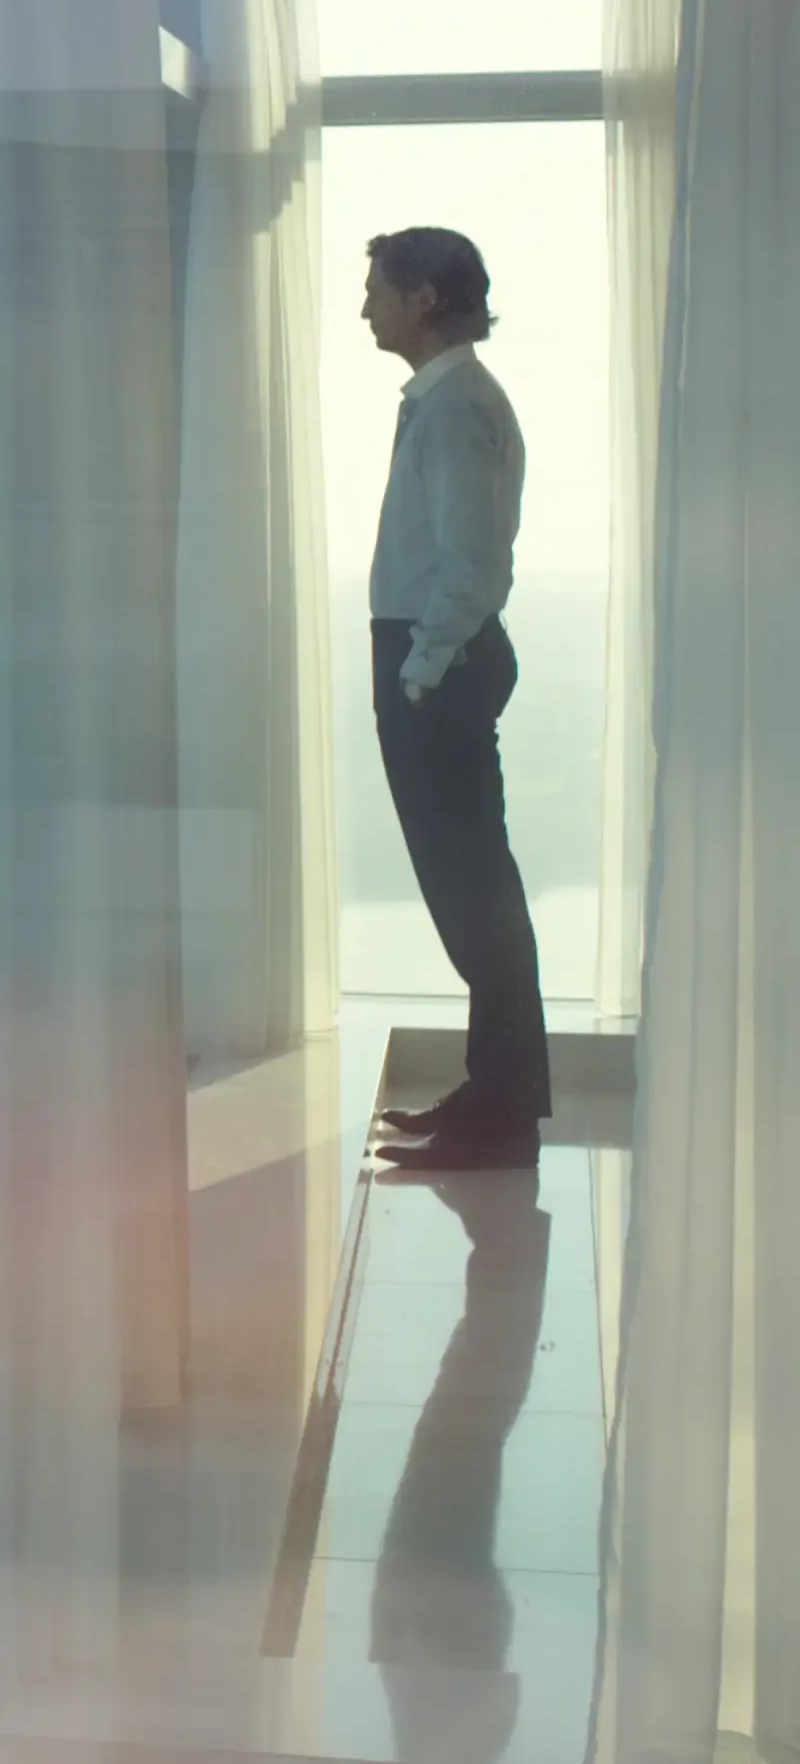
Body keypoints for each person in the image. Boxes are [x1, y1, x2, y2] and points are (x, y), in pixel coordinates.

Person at [359, 227, 548, 1170]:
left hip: (441, 661)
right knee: (469, 889)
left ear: (426, 297)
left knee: (475, 892)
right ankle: (494, 1100)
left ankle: (502, 1115)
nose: (366, 308)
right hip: (433, 657)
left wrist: (424, 669)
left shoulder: (455, 406)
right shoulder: (442, 401)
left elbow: (473, 565)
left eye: (378, 290)